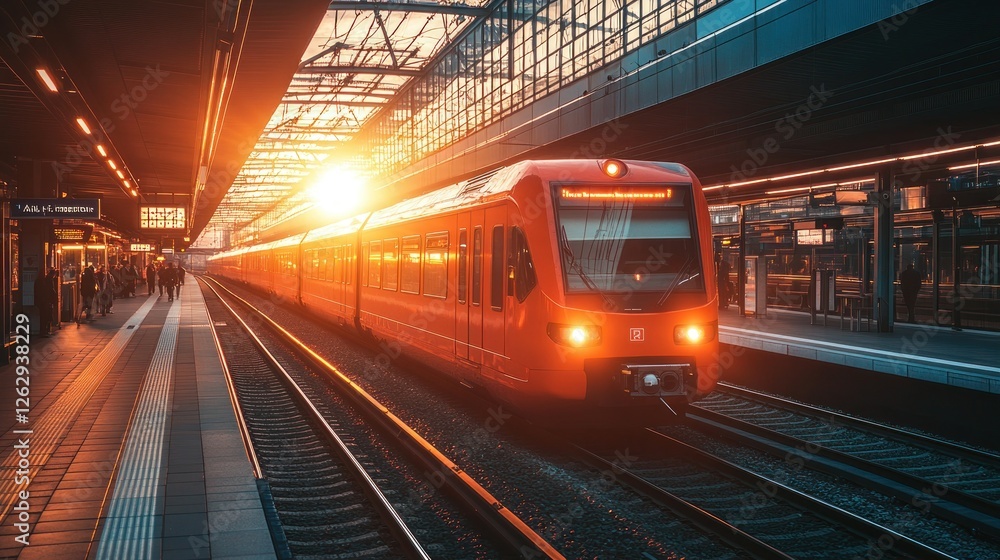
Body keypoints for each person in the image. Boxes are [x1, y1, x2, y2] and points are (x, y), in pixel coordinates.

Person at [34, 270, 56, 337]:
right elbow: (50, 290)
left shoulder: (39, 281)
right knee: (45, 316)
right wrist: (53, 299)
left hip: (41, 302)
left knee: (44, 316)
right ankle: (44, 331)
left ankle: (44, 331)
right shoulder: (48, 280)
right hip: (45, 301)